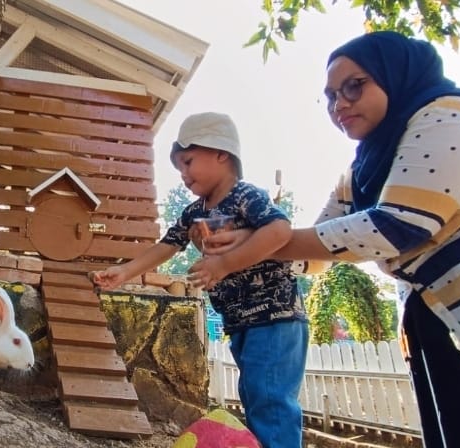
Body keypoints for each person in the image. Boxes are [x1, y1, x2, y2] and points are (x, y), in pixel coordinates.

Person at [203, 31, 460, 447]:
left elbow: (400, 226)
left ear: (395, 75)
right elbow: (317, 252)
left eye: (353, 86)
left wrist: (258, 242)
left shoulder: (449, 114)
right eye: (329, 96)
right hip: (458, 321)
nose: (339, 104)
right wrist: (249, 246)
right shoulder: (361, 173)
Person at [90, 112, 309, 448]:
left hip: (275, 316)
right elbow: (168, 244)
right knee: (255, 396)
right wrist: (126, 271)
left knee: (271, 400)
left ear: (221, 153)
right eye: (179, 168)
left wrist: (223, 264)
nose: (184, 174)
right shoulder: (194, 211)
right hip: (240, 321)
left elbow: (280, 230)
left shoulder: (246, 196)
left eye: (188, 162)